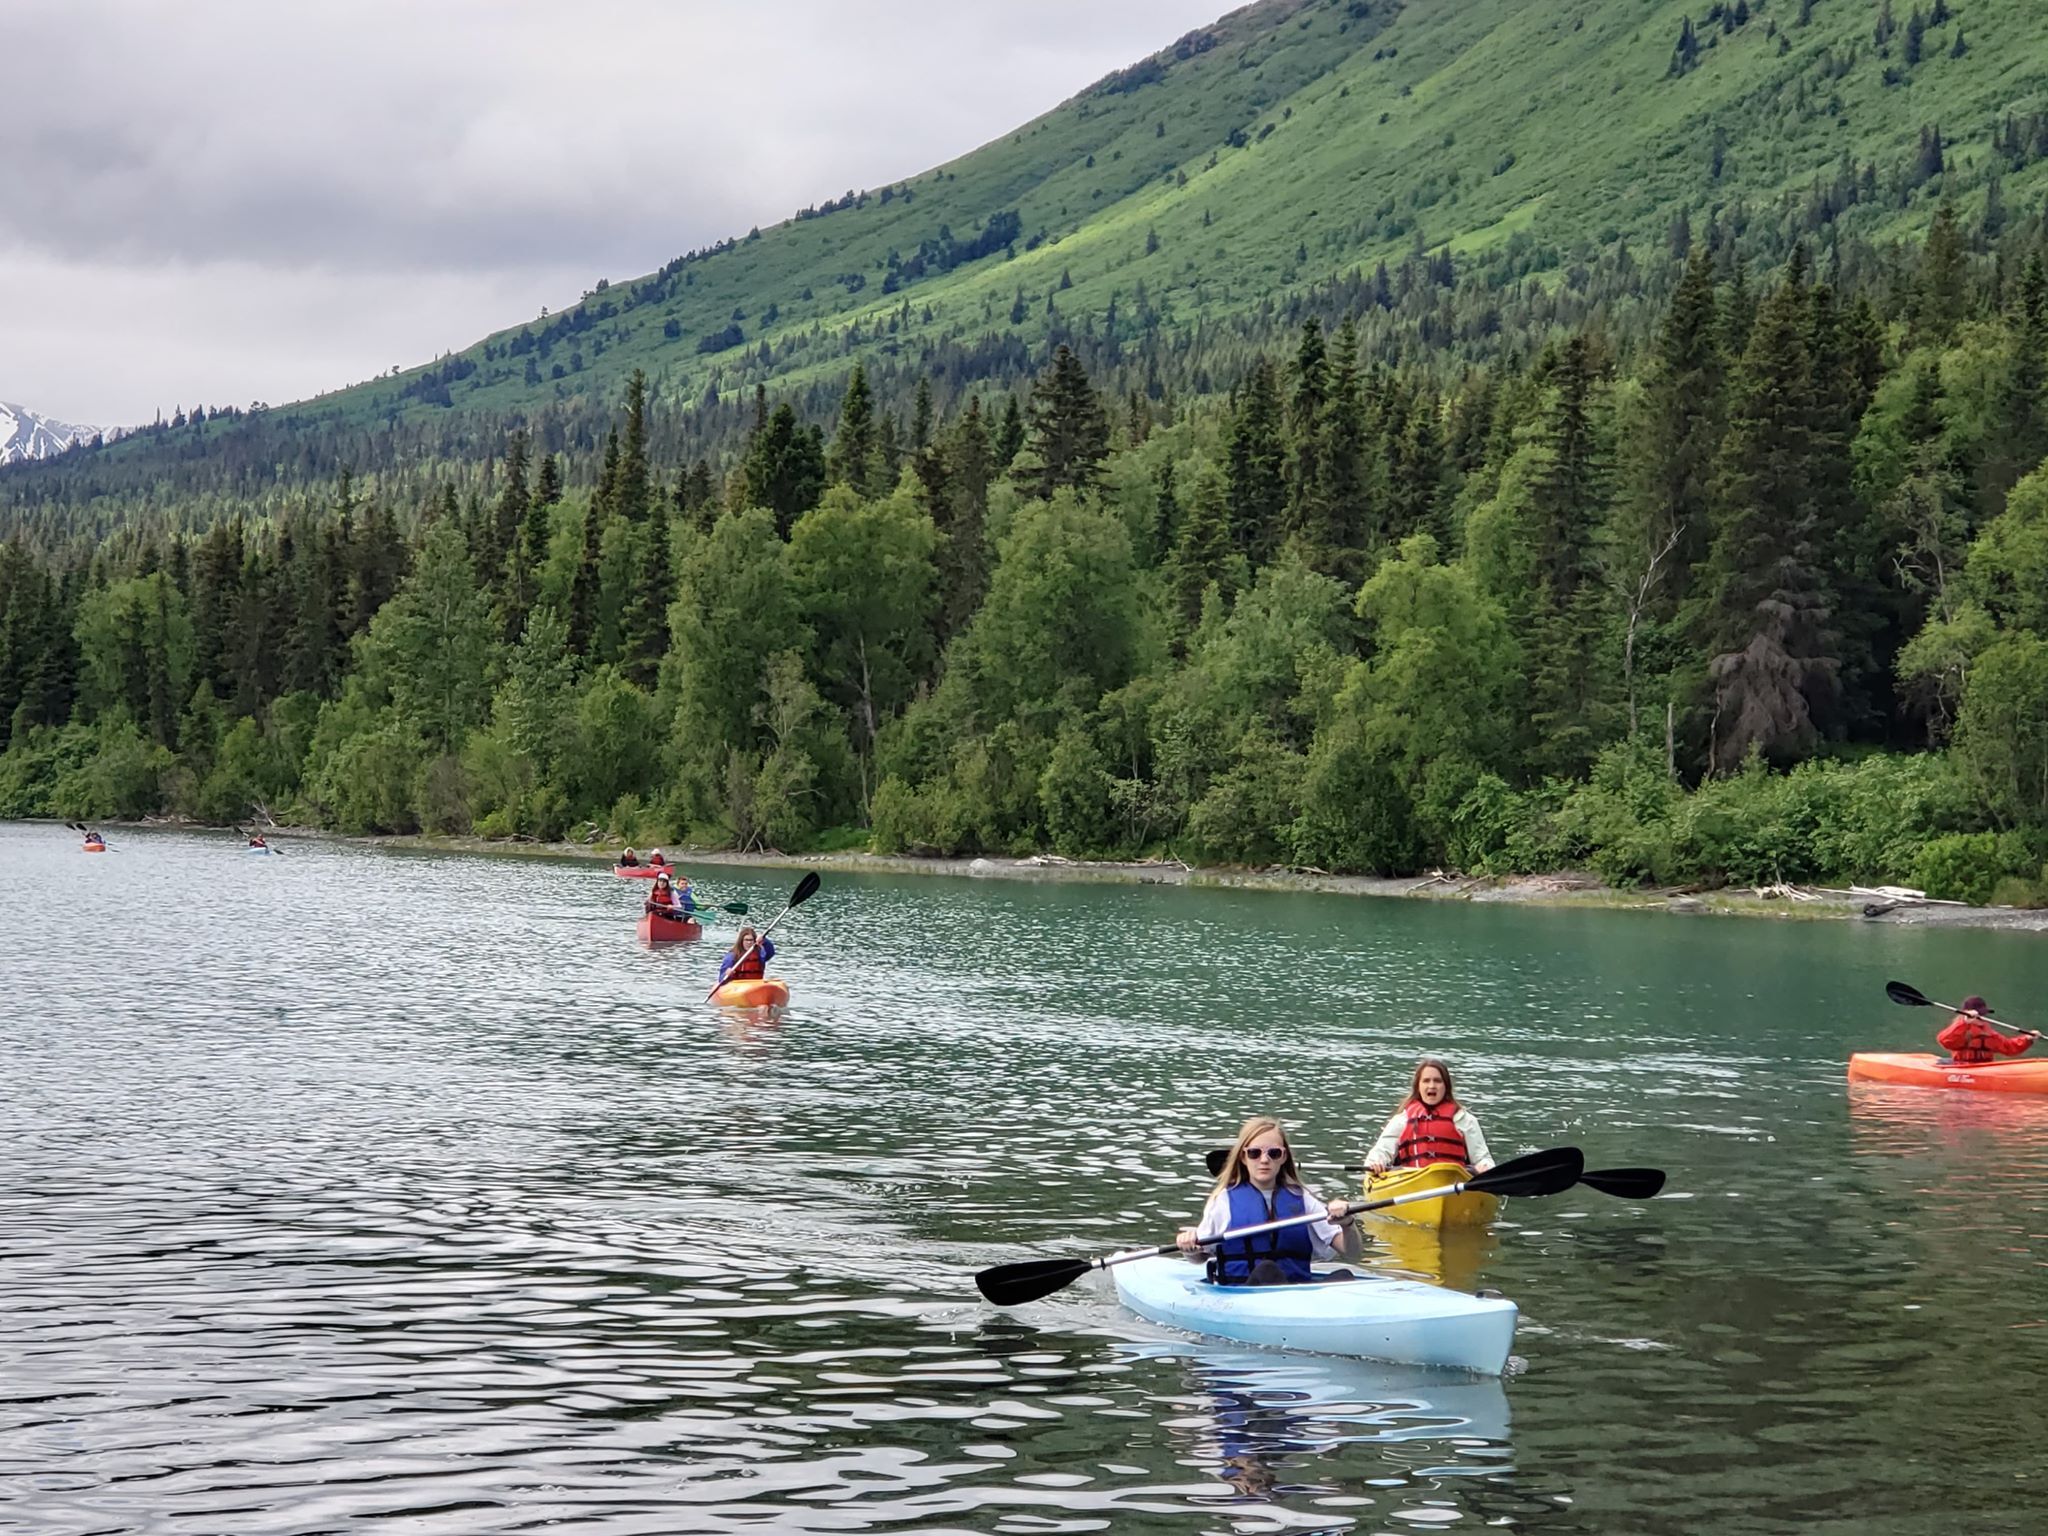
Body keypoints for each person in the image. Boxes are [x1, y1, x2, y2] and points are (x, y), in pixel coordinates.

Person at [1176, 1117, 1359, 1285]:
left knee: (1345, 1276)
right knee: (1267, 1270)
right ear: (1243, 1157)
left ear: (1283, 1157)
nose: (1264, 1160)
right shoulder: (1224, 1201)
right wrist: (1188, 1248)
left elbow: (1353, 1254)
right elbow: (1199, 1257)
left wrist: (1347, 1224)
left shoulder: (1302, 1199)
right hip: (1243, 1292)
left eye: (1273, 1153)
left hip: (1297, 1294)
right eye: (1254, 1153)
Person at [1363, 1059, 1495, 1175]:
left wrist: (1484, 1167)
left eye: (1437, 1081)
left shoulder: (1464, 1120)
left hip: (1454, 1183)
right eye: (1426, 1081)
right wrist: (1377, 1162)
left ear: (1446, 1086)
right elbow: (1381, 1152)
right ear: (1418, 1086)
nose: (1431, 1086)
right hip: (1412, 1181)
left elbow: (1482, 1158)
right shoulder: (1402, 1120)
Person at [1937, 996, 2038, 1065]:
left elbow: (2009, 1047)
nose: (1982, 1017)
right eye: (1979, 1015)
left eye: (1983, 1014)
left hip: (1983, 1068)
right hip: (1961, 1067)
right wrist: (1964, 1022)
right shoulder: (1960, 1029)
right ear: (1967, 1014)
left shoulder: (1988, 1032)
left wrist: (2027, 1039)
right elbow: (1945, 1040)